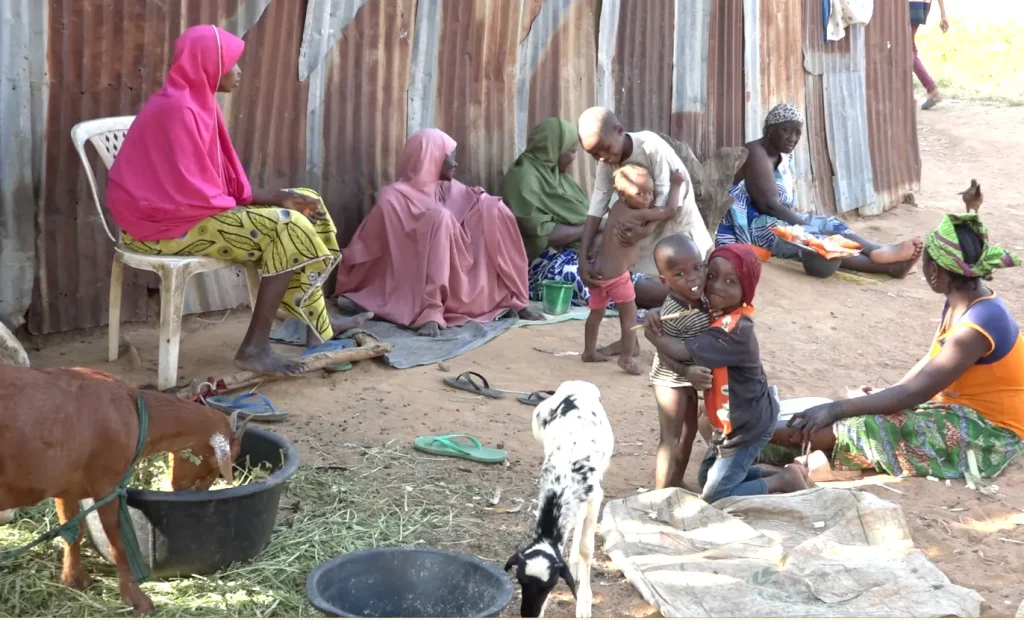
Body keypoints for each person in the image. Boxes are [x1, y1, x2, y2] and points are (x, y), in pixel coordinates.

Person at [106, 25, 371, 376]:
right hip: (158, 230)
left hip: (189, 211)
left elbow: (211, 183)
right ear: (208, 64)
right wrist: (271, 199)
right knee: (287, 226)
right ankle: (254, 348)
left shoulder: (201, 103)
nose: (239, 71)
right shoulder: (178, 110)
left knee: (307, 200)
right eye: (231, 63)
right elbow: (196, 192)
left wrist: (275, 197)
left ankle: (316, 326)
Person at [786, 214, 1023, 480]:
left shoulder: (980, 322)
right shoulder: (963, 299)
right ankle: (767, 436)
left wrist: (834, 409)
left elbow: (915, 394)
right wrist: (889, 392)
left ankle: (760, 433)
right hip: (957, 410)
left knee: (864, 427)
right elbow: (932, 360)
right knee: (864, 416)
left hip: (991, 433)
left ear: (935, 271)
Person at [335, 128, 540, 338]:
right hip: (407, 279)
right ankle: (431, 310)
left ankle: (512, 298)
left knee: (493, 209)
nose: (455, 164)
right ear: (430, 159)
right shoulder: (392, 198)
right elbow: (373, 246)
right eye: (448, 158)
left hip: (456, 271)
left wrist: (489, 206)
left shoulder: (442, 188)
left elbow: (470, 198)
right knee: (439, 217)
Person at [644, 244, 809, 501]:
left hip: (747, 425)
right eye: (712, 276)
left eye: (730, 281)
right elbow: (679, 304)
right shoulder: (717, 309)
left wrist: (651, 335)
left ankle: (784, 479)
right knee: (706, 478)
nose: (717, 286)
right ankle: (774, 476)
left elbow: (680, 350)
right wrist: (657, 313)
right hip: (730, 423)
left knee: (714, 497)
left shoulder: (734, 328)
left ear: (746, 290)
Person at [716, 103, 924, 278]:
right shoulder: (756, 151)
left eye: (797, 132)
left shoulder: (781, 157)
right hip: (752, 226)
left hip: (773, 218)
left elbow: (779, 206)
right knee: (814, 241)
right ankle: (887, 266)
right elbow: (768, 204)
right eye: (786, 130)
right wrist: (806, 227)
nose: (792, 138)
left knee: (830, 224)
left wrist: (806, 224)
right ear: (769, 129)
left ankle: (876, 250)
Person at [500, 117, 668, 309]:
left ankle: (681, 299)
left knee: (618, 272)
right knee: (606, 283)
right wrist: (594, 227)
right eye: (571, 151)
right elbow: (545, 236)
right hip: (540, 265)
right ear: (553, 149)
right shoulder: (523, 181)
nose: (573, 158)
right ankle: (679, 301)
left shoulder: (558, 177)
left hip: (576, 253)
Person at [583, 165, 683, 375]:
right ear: (622, 194)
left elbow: (648, 215)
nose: (647, 198)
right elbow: (669, 210)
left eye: (650, 193)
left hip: (597, 274)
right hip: (618, 277)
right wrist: (676, 185)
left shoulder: (618, 207)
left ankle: (589, 351)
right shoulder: (635, 215)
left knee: (596, 313)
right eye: (640, 194)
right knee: (630, 317)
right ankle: (626, 359)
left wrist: (646, 212)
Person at [644, 234, 712, 490]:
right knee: (670, 437)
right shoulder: (671, 312)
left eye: (697, 268)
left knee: (688, 431)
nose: (693, 278)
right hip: (670, 378)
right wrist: (686, 370)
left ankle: (677, 482)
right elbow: (664, 353)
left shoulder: (703, 297)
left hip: (687, 377)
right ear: (665, 281)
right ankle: (660, 496)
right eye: (680, 274)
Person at [911, 0, 949, 110]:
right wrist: (943, 14)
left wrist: (943, 14)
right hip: (921, 5)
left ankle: (931, 89)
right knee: (908, 45)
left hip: (910, 5)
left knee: (905, 48)